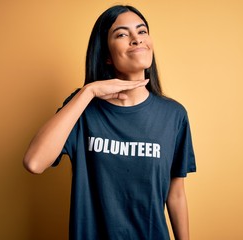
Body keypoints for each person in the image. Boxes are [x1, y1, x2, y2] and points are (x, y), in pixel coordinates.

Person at [23, 5, 196, 240]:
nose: (136, 39)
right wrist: (88, 92)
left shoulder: (173, 115)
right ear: (106, 55)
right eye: (122, 34)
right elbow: (34, 163)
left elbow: (175, 194)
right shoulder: (82, 109)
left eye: (142, 31)